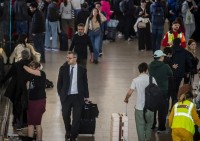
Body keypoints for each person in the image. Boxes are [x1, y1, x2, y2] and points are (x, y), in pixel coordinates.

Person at [57, 51, 90, 141]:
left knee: (76, 118)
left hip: (78, 97)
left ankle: (73, 136)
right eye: (67, 58)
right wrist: (61, 95)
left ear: (75, 58)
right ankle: (68, 131)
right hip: (66, 97)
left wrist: (86, 96)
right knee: (65, 115)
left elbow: (85, 83)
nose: (67, 59)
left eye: (70, 58)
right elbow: (59, 83)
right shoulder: (63, 68)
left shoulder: (82, 69)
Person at [124, 62, 156, 141]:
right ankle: (147, 139)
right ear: (147, 70)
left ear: (139, 70)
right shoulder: (152, 79)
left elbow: (129, 92)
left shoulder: (135, 80)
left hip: (139, 108)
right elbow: (156, 91)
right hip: (150, 108)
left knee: (140, 126)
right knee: (149, 126)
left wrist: (126, 99)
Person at [149, 50, 173, 133]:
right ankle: (161, 127)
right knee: (162, 110)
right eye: (163, 56)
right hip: (163, 91)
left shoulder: (150, 65)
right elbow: (170, 74)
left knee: (153, 108)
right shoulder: (166, 66)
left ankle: (152, 125)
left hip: (152, 90)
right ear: (161, 57)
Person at [23, 61, 46, 141]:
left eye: (32, 68)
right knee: (30, 123)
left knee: (37, 123)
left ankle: (39, 139)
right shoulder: (30, 75)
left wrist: (22, 64)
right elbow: (27, 87)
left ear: (38, 68)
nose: (30, 70)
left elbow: (29, 70)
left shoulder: (42, 74)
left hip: (39, 101)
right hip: (31, 101)